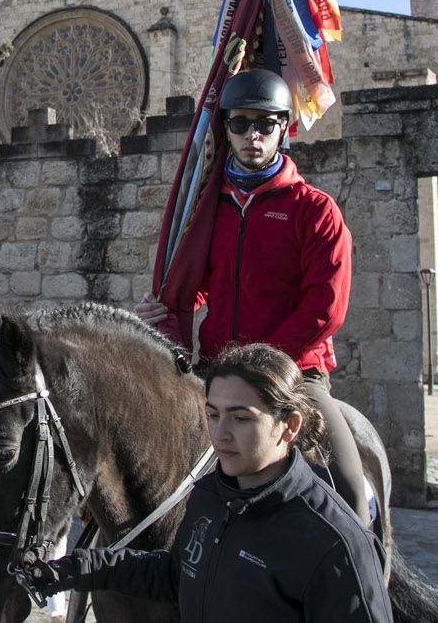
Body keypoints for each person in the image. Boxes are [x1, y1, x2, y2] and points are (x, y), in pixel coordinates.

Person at [135, 68, 371, 526]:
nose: (251, 135)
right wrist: (166, 308)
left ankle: (366, 573)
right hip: (218, 367)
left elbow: (325, 307)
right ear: (225, 129)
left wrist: (265, 362)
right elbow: (201, 283)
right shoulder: (206, 209)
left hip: (295, 373)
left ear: (283, 128)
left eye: (264, 124)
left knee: (347, 486)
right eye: (239, 124)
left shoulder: (314, 210)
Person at [25, 343, 390, 622]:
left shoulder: (335, 546)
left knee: (353, 489)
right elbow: (177, 573)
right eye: (213, 415)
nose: (220, 434)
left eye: (241, 418)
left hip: (301, 360)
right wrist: (74, 568)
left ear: (290, 426)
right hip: (228, 346)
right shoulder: (209, 497)